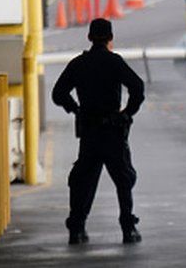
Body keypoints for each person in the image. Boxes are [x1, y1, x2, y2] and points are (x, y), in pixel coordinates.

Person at [51, 19, 145, 245]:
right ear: (110, 38)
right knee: (123, 180)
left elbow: (58, 93)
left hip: (90, 133)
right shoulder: (114, 62)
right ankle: (128, 228)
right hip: (113, 131)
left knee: (82, 180)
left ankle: (77, 228)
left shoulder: (78, 64)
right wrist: (127, 113)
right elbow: (137, 88)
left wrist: (76, 109)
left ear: (89, 37)